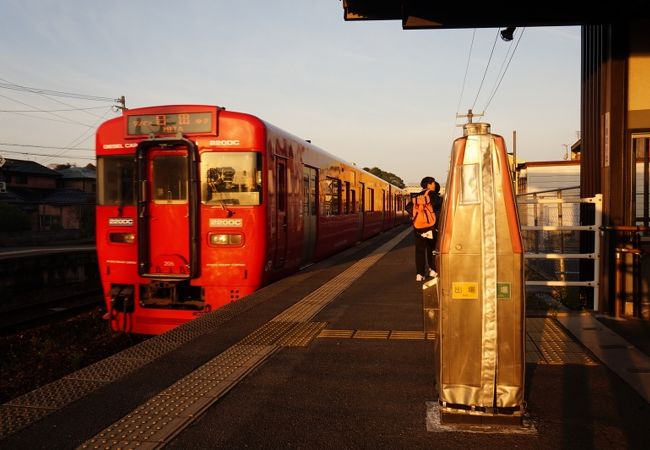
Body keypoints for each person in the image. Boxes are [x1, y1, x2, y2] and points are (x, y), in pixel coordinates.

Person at [408, 176, 438, 281]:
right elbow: (438, 206)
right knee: (431, 249)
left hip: (418, 227)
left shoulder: (417, 196)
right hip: (431, 226)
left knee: (419, 251)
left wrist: (415, 216)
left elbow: (408, 207)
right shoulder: (432, 194)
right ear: (428, 184)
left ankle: (420, 274)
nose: (434, 185)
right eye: (433, 183)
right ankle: (433, 269)